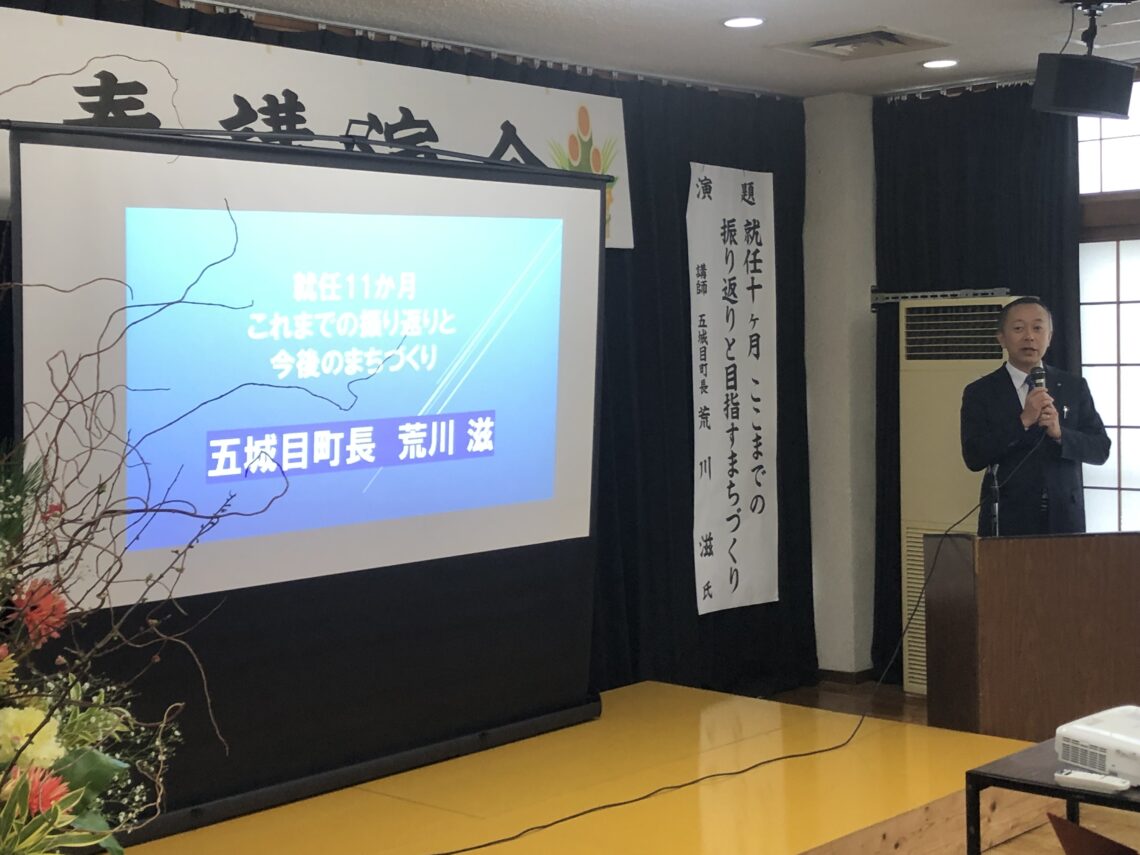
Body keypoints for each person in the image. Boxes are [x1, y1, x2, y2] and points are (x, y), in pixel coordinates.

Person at [960, 296, 1111, 536]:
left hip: (1064, 518)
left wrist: (1060, 434)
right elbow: (974, 456)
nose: (1029, 336)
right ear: (1001, 338)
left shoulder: (1073, 386)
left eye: (1038, 328)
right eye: (1018, 328)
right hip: (1008, 518)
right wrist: (1022, 421)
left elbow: (1101, 449)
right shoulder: (980, 392)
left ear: (1049, 337)